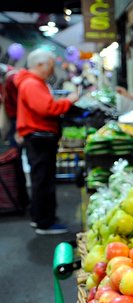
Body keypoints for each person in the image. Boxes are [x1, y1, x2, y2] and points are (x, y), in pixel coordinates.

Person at [14, 48, 78, 235]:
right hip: (40, 137)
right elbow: (47, 108)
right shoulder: (32, 84)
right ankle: (44, 222)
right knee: (43, 179)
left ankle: (40, 217)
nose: (52, 70)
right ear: (40, 65)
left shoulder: (31, 82)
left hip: (38, 137)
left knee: (41, 178)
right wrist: (68, 101)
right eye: (50, 65)